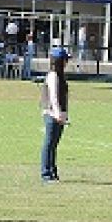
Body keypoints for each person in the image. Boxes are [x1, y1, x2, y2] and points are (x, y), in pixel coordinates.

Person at [40, 48, 70, 183]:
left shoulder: (60, 76)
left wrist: (64, 114)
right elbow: (53, 96)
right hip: (51, 114)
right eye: (65, 60)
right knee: (49, 144)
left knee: (54, 145)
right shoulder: (52, 76)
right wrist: (57, 113)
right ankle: (46, 173)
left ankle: (53, 171)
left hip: (59, 114)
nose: (66, 62)